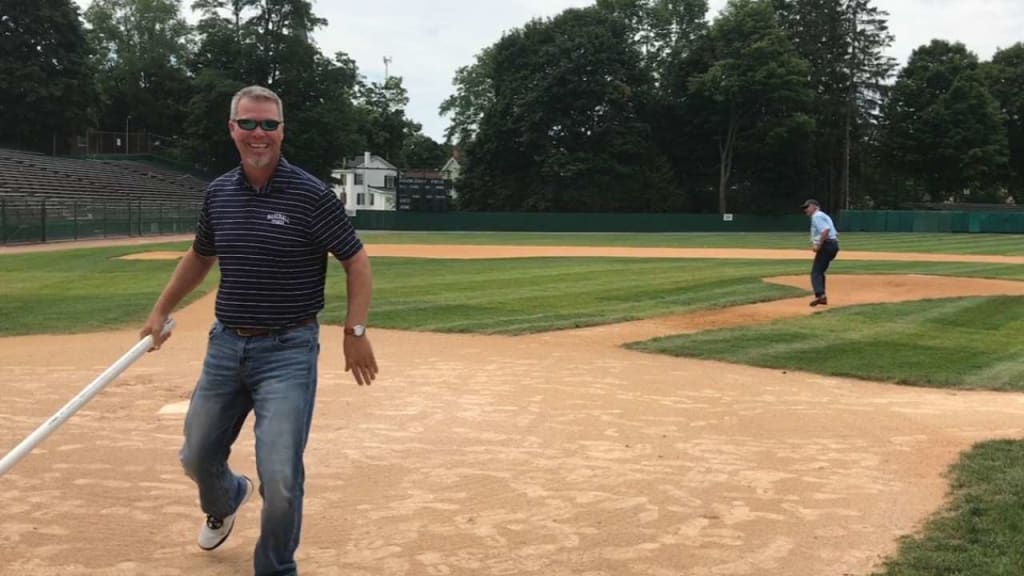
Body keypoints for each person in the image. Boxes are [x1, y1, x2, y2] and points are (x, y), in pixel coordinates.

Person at [139, 85, 378, 576]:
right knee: (197, 455)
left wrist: (354, 331)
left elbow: (355, 259)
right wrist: (161, 309)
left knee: (282, 477)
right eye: (248, 123)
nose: (258, 134)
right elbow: (201, 256)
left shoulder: (312, 196)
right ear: (232, 128)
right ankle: (228, 496)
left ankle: (276, 567)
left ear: (282, 131)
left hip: (288, 350)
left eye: (269, 124)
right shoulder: (218, 192)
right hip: (226, 345)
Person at [801, 198, 839, 306]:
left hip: (826, 245)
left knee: (815, 272)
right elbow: (833, 231)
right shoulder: (823, 215)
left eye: (807, 207)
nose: (805, 210)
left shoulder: (816, 216)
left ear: (814, 206)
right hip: (833, 245)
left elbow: (825, 230)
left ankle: (820, 296)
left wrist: (818, 244)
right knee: (820, 271)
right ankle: (822, 296)